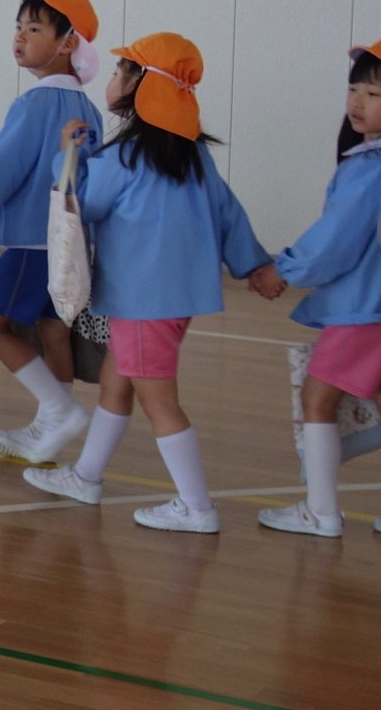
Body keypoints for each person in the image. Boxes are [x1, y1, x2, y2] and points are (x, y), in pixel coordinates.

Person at [22, 34, 274, 532]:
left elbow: (84, 203)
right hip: (171, 301)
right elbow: (229, 213)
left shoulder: (126, 158)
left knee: (160, 402)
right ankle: (86, 477)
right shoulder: (193, 157)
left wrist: (67, 156)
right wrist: (254, 265)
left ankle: (197, 507)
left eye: (122, 70)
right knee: (116, 382)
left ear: (143, 87)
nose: (113, 77)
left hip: (141, 301)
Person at [259, 36, 381, 545]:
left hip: (366, 308)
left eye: (374, 93)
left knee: (317, 399)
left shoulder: (372, 167)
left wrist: (286, 269)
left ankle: (320, 512)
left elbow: (336, 239)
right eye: (354, 89)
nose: (357, 102)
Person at [0, 0, 103, 465]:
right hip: (71, 243)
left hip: (32, 242)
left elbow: (0, 172)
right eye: (18, 27)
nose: (20, 37)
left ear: (68, 43)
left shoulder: (34, 104)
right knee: (52, 329)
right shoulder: (88, 109)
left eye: (34, 28)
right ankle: (48, 426)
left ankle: (60, 411)